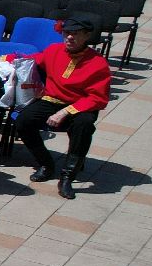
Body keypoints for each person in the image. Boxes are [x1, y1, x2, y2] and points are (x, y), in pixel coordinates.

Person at [21, 16, 110, 200]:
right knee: (24, 121)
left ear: (86, 36)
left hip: (80, 106)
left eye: (75, 34)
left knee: (83, 126)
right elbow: (32, 60)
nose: (69, 37)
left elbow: (97, 98)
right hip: (51, 100)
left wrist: (65, 112)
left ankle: (67, 177)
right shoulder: (54, 50)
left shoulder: (98, 63)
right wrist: (3, 58)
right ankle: (46, 164)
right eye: (67, 33)